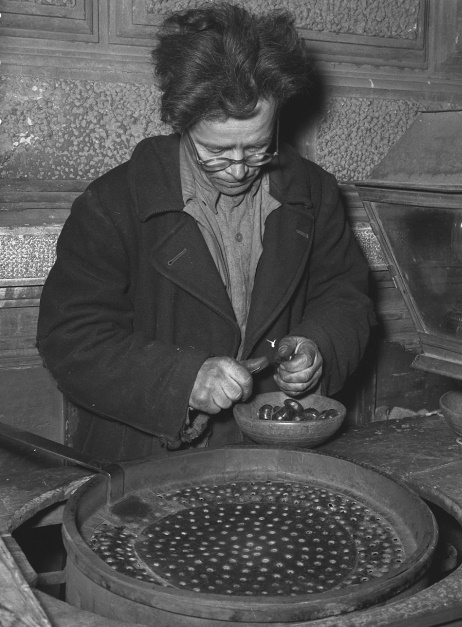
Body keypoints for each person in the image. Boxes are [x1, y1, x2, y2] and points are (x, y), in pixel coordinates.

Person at [36, 2, 375, 461]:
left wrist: (320, 346)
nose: (238, 169)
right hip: (147, 459)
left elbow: (346, 296)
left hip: (271, 453)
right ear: (182, 124)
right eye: (215, 152)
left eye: (258, 147)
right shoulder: (112, 204)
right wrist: (182, 381)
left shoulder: (314, 193)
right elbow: (69, 337)